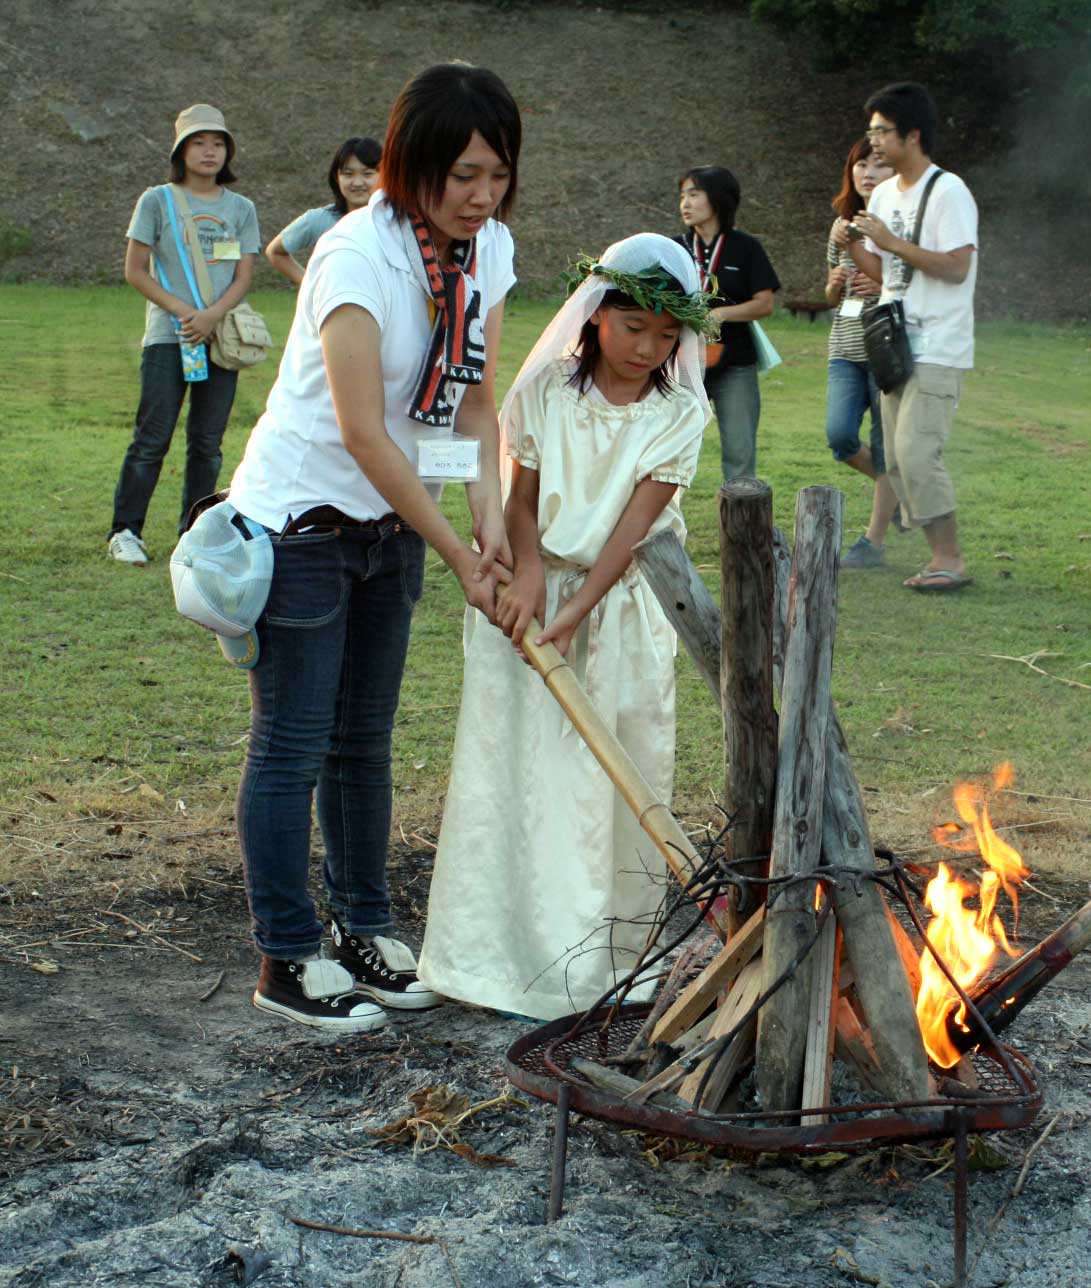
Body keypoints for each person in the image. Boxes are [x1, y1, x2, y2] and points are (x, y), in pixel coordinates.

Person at [222, 62, 521, 1031]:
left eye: (497, 174)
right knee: (294, 744)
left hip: (390, 527)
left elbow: (473, 402)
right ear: (409, 165)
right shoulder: (356, 254)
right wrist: (458, 553)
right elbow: (361, 430)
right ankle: (287, 955)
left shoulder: (487, 253)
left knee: (365, 743)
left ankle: (365, 928)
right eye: (462, 174)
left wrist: (487, 517)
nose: (481, 196)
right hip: (303, 522)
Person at [418, 237, 713, 1020]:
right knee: (516, 775)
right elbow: (521, 496)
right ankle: (490, 956)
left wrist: (577, 614)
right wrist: (536, 576)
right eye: (631, 328)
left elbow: (633, 531)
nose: (647, 349)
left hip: (616, 611)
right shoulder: (547, 389)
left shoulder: (681, 413)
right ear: (593, 318)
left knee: (605, 783)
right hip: (529, 594)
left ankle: (593, 965)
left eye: (664, 337)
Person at [111, 103, 261, 566]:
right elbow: (135, 271)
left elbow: (243, 274)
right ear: (181, 150)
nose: (209, 151)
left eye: (218, 143)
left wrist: (212, 316)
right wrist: (185, 313)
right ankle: (125, 532)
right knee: (151, 438)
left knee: (207, 443)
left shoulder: (240, 208)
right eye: (199, 142)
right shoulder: (157, 200)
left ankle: (193, 535)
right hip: (167, 337)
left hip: (219, 339)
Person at [845, 81, 980, 593]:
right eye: (871, 131)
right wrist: (853, 246)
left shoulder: (949, 192)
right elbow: (884, 274)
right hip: (895, 343)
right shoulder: (881, 193)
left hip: (939, 344)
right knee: (898, 460)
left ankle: (951, 558)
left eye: (883, 131)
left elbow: (956, 268)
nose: (873, 141)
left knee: (919, 453)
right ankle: (938, 556)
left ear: (913, 134)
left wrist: (890, 241)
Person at [824, 139, 905, 570]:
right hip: (845, 346)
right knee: (839, 436)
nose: (868, 172)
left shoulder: (900, 225)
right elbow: (832, 295)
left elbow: (909, 278)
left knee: (886, 445)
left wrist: (885, 280)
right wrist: (836, 283)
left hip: (888, 350)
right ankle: (897, 492)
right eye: (860, 164)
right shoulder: (841, 227)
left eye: (877, 164)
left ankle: (872, 543)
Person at [678, 165, 779, 482]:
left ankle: (740, 528)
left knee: (739, 452)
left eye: (694, 195)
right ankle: (659, 526)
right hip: (684, 363)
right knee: (671, 447)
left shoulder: (746, 248)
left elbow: (765, 303)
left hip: (736, 364)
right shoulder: (675, 247)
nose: (685, 203)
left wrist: (720, 314)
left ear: (718, 199)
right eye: (682, 196)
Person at [264, 137, 382, 286]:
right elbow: (275, 251)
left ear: (384, 175)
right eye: (348, 174)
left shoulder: (396, 222)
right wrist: (311, 287)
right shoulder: (320, 220)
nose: (357, 182)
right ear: (336, 177)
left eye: (367, 174)